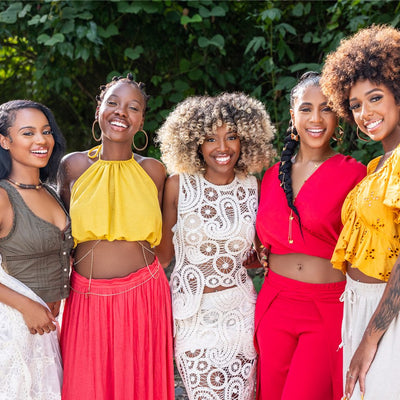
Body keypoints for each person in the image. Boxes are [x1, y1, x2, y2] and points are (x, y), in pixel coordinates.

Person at [58, 73, 174, 400]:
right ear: (99, 110)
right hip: (85, 296)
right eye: (113, 103)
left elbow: (164, 248)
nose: (121, 112)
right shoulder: (73, 166)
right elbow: (59, 235)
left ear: (141, 121)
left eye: (132, 107)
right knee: (83, 389)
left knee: (138, 389)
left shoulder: (153, 170)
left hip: (144, 296)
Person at [255, 72, 366, 400]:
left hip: (326, 307)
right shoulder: (272, 175)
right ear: (293, 116)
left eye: (326, 108)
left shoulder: (355, 174)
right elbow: (265, 235)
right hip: (275, 302)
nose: (316, 118)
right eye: (306, 109)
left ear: (339, 116)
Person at [156, 92, 275, 400]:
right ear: (195, 144)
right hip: (193, 317)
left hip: (241, 314)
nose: (223, 148)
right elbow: (162, 256)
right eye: (211, 139)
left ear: (245, 140)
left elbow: (260, 250)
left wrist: (258, 256)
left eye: (231, 137)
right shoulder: (178, 185)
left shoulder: (251, 185)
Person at [321, 25, 400, 400]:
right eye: (355, 105)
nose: (365, 113)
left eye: (375, 98)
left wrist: (370, 340)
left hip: (387, 315)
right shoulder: (377, 165)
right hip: (358, 306)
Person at [0, 99, 72, 399]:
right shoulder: (3, 196)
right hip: (15, 328)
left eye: (46, 131)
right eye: (28, 133)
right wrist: (26, 306)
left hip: (51, 332)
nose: (41, 140)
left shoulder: (53, 192)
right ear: (4, 140)